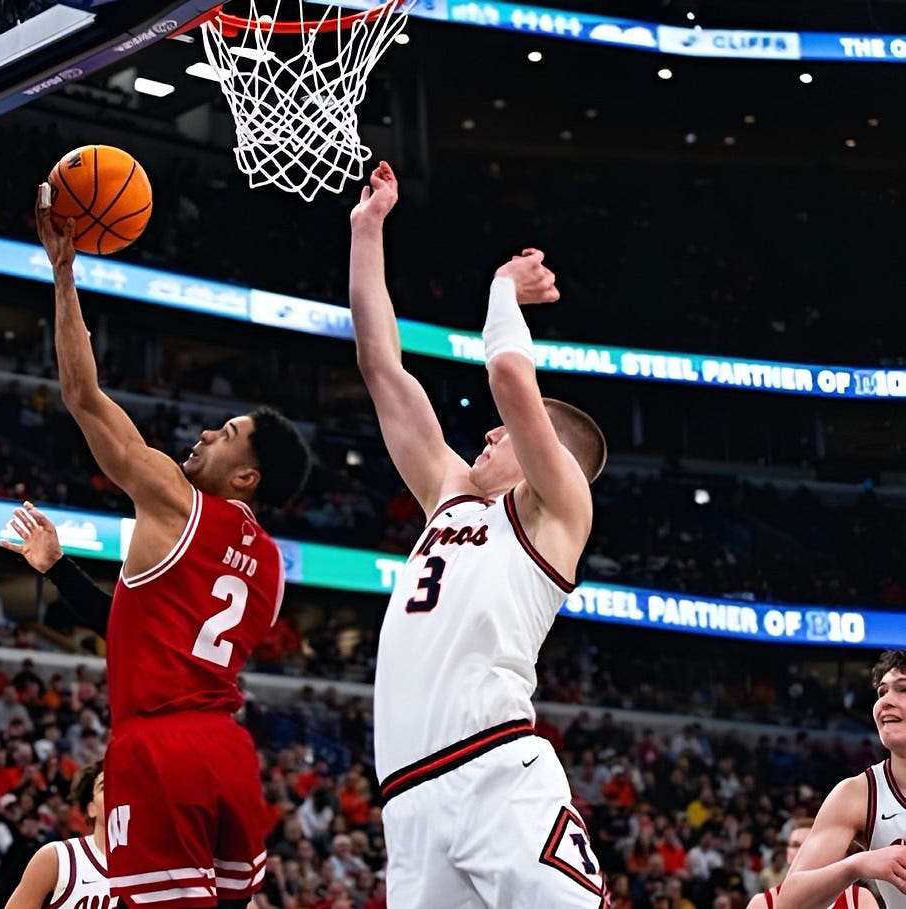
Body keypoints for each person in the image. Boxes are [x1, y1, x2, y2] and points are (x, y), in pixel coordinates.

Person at [34, 186, 314, 908]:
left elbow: (83, 396)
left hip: (157, 748)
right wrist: (62, 573)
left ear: (246, 475)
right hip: (227, 751)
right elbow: (150, 628)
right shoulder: (275, 567)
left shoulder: (176, 501)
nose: (204, 433)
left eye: (224, 435)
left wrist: (64, 275)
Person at [348, 161, 608, 908]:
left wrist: (502, 288)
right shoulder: (449, 493)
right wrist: (368, 230)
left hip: (494, 770)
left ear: (547, 456)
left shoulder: (558, 513)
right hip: (408, 798)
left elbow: (507, 378)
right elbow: (380, 365)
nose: (491, 432)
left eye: (516, 434)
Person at [774, 651, 906, 908]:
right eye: (881, 692)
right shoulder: (858, 794)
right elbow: (788, 903)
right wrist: (855, 865)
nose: (885, 701)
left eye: (902, 689)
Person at [5, 761, 105, 909]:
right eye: (105, 787)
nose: (117, 792)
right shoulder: (58, 857)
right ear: (90, 808)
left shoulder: (148, 862)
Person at [747, 818, 876, 908]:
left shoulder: (858, 898)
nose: (800, 851)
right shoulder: (763, 903)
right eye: (795, 845)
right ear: (787, 853)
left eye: (807, 845)